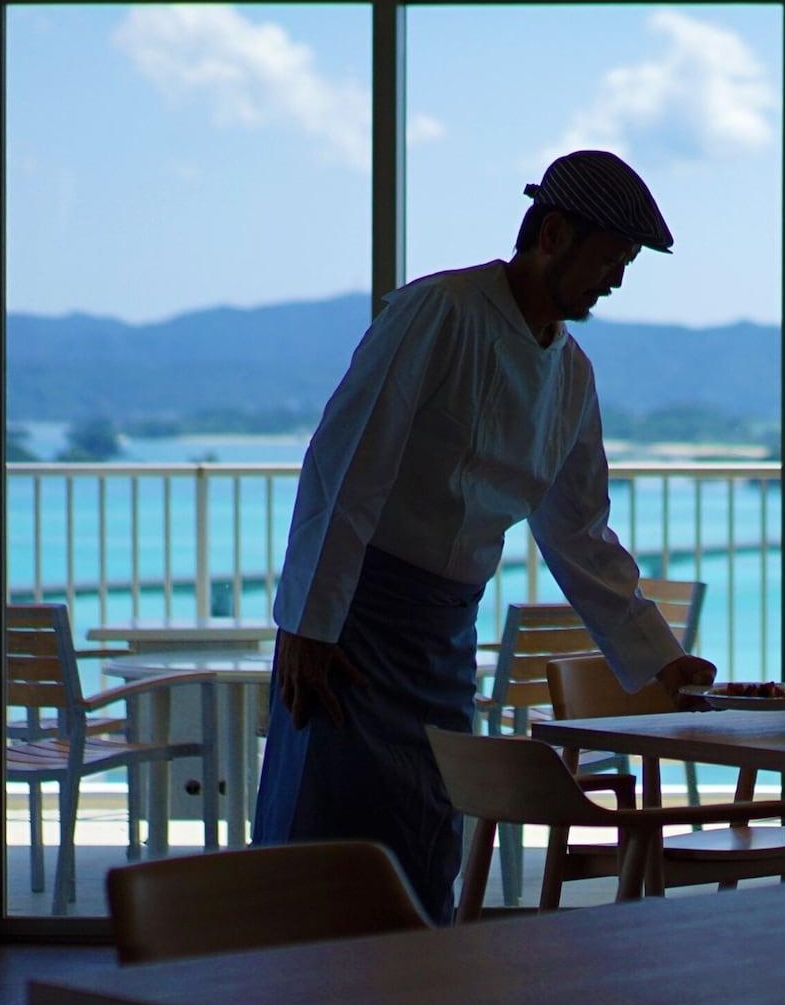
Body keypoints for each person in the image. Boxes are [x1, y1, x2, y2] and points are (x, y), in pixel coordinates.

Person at [252, 150, 716, 922]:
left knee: (423, 831)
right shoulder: (439, 311)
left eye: (626, 265)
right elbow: (347, 466)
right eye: (610, 259)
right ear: (553, 235)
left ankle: (414, 994)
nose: (616, 281)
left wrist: (662, 660)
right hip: (352, 625)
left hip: (443, 634)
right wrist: (306, 624)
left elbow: (579, 532)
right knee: (328, 834)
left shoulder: (571, 373)